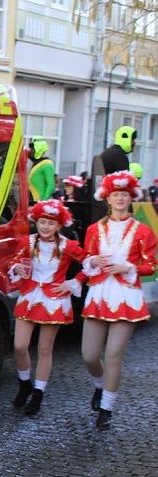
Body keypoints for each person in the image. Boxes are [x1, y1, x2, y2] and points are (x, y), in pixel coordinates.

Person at [79, 170, 156, 430]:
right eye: (115, 195)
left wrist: (127, 267)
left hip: (127, 297)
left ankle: (107, 408)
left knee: (113, 354)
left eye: (124, 195)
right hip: (99, 295)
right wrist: (92, 261)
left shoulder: (143, 231)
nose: (120, 199)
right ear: (107, 199)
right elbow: (86, 259)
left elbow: (151, 265)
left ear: (130, 197)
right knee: (89, 355)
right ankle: (100, 386)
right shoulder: (93, 229)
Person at [8, 200, 85, 415]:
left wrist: (73, 283)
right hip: (29, 297)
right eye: (42, 222)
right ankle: (24, 384)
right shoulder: (27, 242)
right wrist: (17, 269)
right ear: (36, 222)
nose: (45, 227)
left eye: (51, 223)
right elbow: (13, 263)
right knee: (19, 346)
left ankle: (38, 394)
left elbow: (89, 264)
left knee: (44, 349)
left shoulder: (68, 246)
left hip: (54, 301)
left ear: (59, 226)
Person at [27, 136, 55, 202]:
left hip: (38, 199)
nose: (31, 151)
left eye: (32, 148)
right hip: (32, 198)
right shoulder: (38, 161)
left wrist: (44, 201)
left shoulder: (47, 164)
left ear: (38, 148)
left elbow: (51, 184)